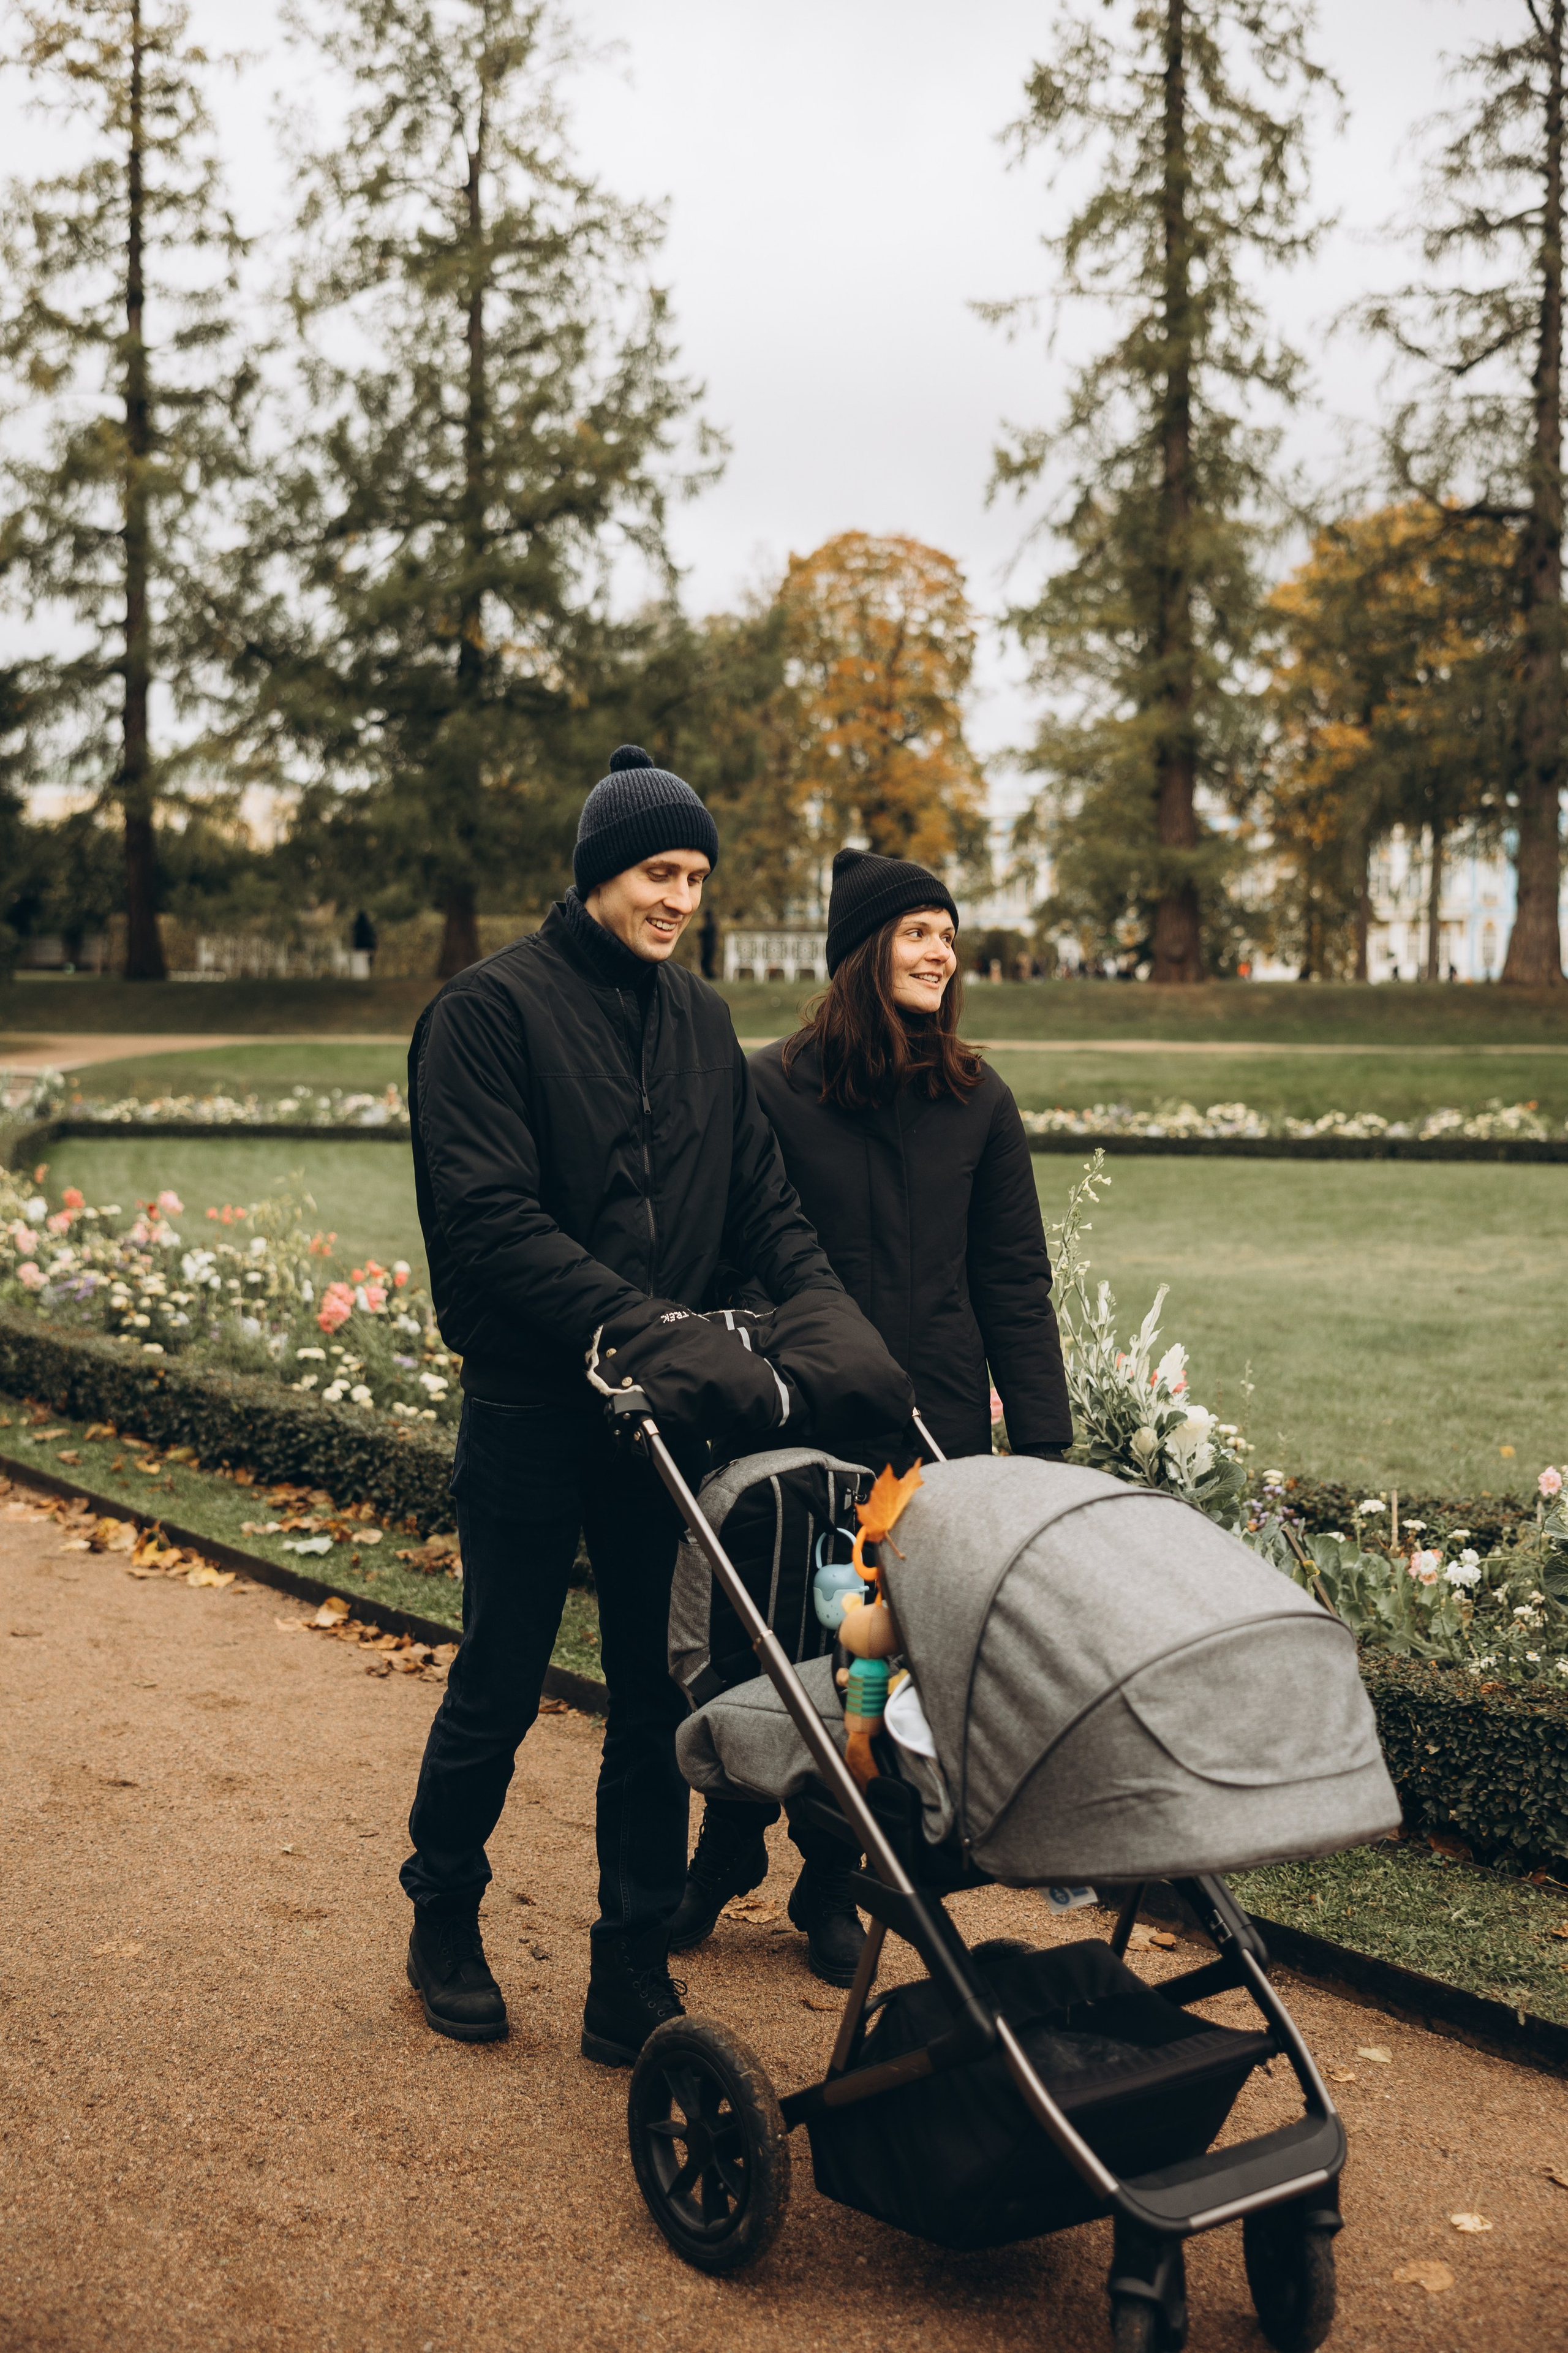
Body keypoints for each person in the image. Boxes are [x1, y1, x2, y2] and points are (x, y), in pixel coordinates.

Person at [400, 747, 907, 2062]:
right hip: (533, 1401)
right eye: (654, 872)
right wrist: (645, 1322)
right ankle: (442, 1906)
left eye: (693, 876)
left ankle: (627, 1961)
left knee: (653, 1691)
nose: (678, 897)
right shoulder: (486, 1013)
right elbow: (490, 1217)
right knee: (500, 1677)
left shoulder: (697, 1021)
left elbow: (763, 1207)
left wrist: (831, 1324)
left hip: (660, 1416)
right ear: (595, 875)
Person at [669, 847, 1074, 1979]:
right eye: (918, 931)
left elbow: (1012, 1279)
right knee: (770, 1633)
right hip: (792, 1417)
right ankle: (729, 1843)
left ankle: (829, 1878)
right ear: (862, 953)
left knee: (881, 1659)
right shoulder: (769, 1085)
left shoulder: (977, 1099)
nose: (943, 950)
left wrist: (1038, 1449)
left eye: (950, 933)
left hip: (931, 1430)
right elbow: (728, 1251)